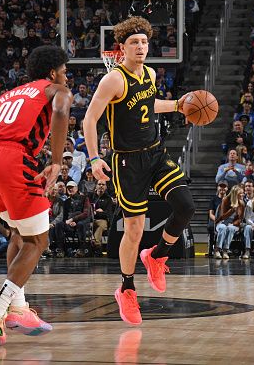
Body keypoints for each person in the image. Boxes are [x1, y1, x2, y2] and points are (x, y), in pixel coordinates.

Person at [83, 17, 195, 326]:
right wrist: (94, 159)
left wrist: (176, 106)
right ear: (122, 48)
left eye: (144, 42)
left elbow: (147, 104)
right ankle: (127, 288)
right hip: (127, 162)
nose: (141, 47)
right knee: (133, 230)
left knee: (186, 206)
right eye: (135, 42)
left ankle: (157, 255)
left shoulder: (150, 73)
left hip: (156, 153)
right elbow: (90, 120)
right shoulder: (113, 80)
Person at [0, 45, 73, 345]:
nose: (66, 78)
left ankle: (19, 308)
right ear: (53, 73)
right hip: (12, 160)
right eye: (65, 72)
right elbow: (62, 110)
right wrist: (55, 162)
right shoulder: (55, 90)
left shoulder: (6, 96)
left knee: (18, 233)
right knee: (38, 241)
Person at [214, 185, 245, 259]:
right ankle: (217, 250)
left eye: (243, 193)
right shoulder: (226, 200)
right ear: (235, 194)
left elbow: (240, 219)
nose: (243, 195)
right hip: (222, 222)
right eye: (240, 193)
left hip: (234, 224)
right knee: (223, 228)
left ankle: (225, 250)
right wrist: (232, 210)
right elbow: (222, 216)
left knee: (231, 228)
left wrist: (233, 223)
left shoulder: (242, 204)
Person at [89, 179, 114, 256]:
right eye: (99, 184)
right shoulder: (90, 196)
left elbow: (108, 214)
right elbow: (87, 211)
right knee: (86, 225)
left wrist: (98, 213)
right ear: (96, 186)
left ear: (106, 187)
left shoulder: (108, 199)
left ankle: (97, 246)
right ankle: (85, 248)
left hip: (103, 221)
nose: (101, 186)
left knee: (100, 226)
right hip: (90, 219)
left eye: (103, 185)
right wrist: (95, 212)